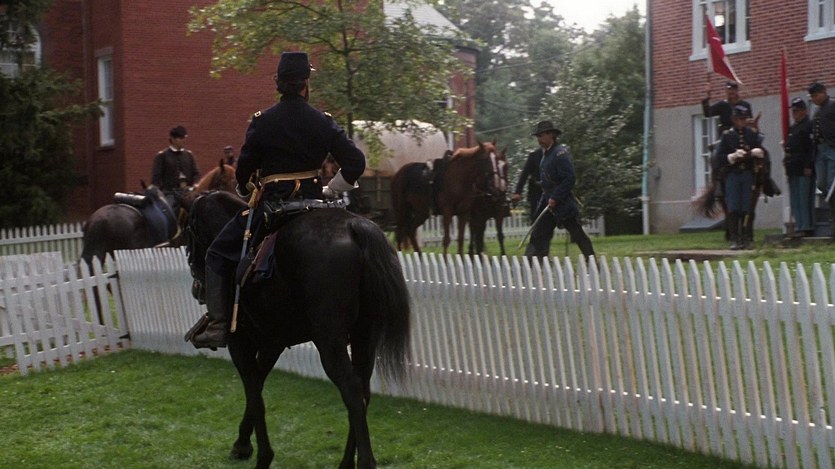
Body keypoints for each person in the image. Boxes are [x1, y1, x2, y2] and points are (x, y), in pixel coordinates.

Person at [189, 51, 366, 349]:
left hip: (274, 208)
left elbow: (243, 173)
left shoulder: (263, 121)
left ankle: (218, 324)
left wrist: (247, 191)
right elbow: (356, 162)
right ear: (306, 83)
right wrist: (331, 190)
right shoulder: (323, 122)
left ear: (278, 83)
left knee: (217, 253)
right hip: (315, 204)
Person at [522, 120, 595, 262]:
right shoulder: (546, 154)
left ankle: (591, 261)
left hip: (562, 202)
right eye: (538, 136)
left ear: (551, 135)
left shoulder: (559, 153)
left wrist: (555, 197)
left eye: (541, 135)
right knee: (538, 232)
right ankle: (530, 263)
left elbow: (569, 178)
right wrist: (546, 200)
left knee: (576, 233)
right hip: (547, 202)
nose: (539, 139)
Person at [714, 105, 763, 250]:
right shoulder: (727, 136)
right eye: (740, 119)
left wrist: (756, 152)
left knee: (747, 207)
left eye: (744, 118)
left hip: (748, 173)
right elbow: (719, 158)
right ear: (734, 120)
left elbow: (760, 151)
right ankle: (734, 238)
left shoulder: (751, 134)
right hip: (733, 174)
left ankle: (746, 237)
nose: (742, 121)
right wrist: (732, 156)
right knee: (733, 207)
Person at [783, 97, 816, 237]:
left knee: (804, 198)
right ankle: (799, 225)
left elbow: (811, 148)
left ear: (804, 111)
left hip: (804, 168)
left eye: (797, 111)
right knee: (795, 199)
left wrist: (809, 165)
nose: (794, 114)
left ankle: (806, 226)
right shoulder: (793, 128)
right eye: (793, 111)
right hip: (793, 168)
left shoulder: (809, 125)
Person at [151, 125, 200, 209]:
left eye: (184, 138)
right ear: (173, 139)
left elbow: (196, 173)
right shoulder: (162, 156)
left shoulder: (189, 155)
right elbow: (156, 178)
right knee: (167, 211)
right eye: (181, 138)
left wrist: (194, 186)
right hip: (170, 193)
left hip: (188, 193)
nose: (184, 140)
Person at [809, 82, 835, 234]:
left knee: (832, 184)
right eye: (812, 96)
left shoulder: (832, 105)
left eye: (816, 95)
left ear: (824, 92)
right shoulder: (817, 111)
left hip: (831, 148)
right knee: (822, 183)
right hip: (819, 150)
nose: (815, 99)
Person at [510, 148, 543, 223]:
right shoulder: (534, 156)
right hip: (536, 193)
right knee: (537, 219)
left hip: (554, 192)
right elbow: (524, 174)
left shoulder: (558, 154)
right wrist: (518, 192)